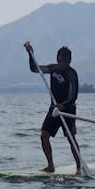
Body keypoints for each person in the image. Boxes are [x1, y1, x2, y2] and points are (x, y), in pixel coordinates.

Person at [23, 41, 81, 174]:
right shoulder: (52, 69)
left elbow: (74, 95)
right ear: (57, 59)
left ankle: (79, 167)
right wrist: (31, 54)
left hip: (68, 110)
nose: (62, 64)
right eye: (60, 60)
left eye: (64, 61)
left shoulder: (72, 74)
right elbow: (35, 68)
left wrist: (64, 105)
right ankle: (50, 166)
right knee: (44, 135)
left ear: (69, 61)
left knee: (71, 138)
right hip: (54, 109)